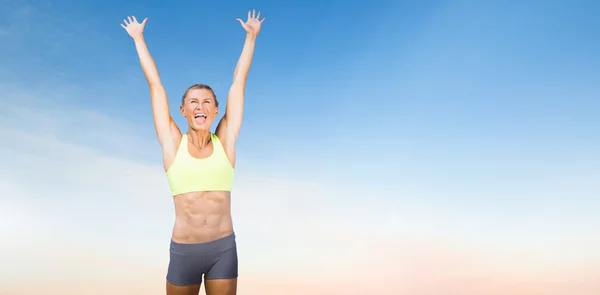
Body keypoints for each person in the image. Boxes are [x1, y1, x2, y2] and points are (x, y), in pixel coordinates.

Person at [120, 9, 265, 295]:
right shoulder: (172, 145)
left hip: (223, 249)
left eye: (207, 102)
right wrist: (138, 38)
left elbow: (239, 82)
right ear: (183, 111)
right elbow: (155, 85)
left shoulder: (226, 141)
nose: (200, 107)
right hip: (184, 252)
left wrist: (251, 38)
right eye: (194, 102)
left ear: (215, 110)